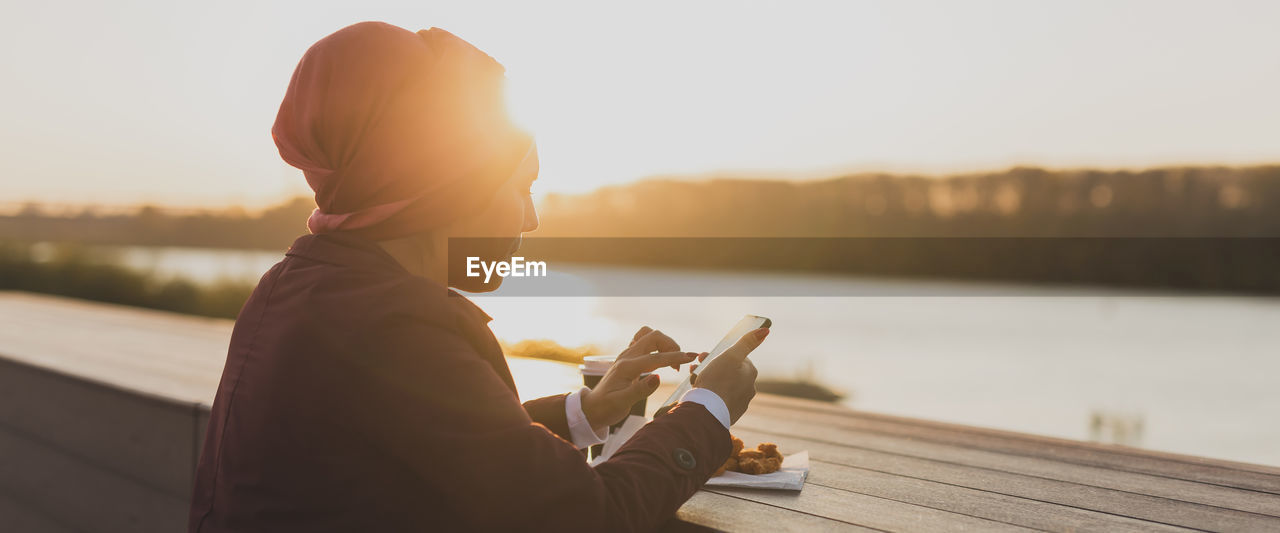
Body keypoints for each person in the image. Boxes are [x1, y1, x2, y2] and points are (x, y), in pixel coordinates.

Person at [188, 21, 767, 532]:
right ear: (450, 183)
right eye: (522, 187)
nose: (533, 218)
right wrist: (706, 409)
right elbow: (586, 517)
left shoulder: (304, 287)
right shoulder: (393, 328)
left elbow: (425, 445)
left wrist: (585, 411)